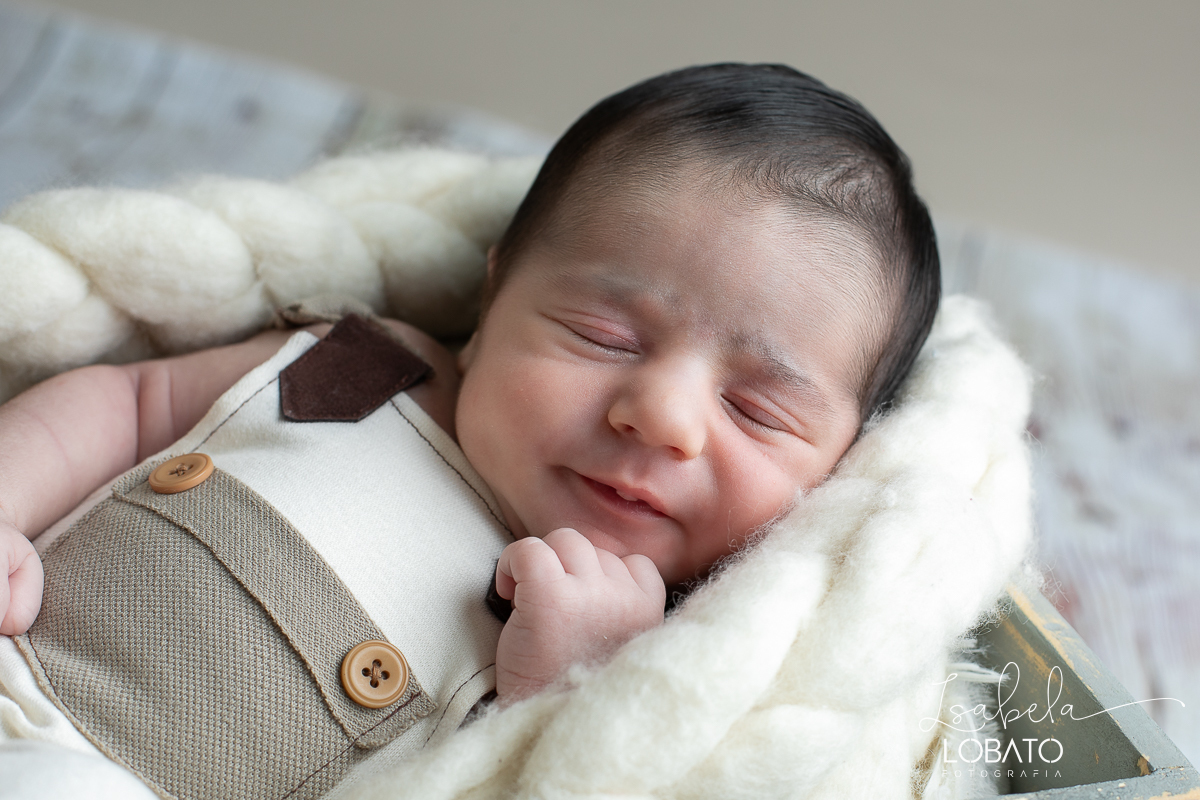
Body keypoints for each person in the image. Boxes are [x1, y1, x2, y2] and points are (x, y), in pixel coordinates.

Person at [0, 63, 939, 797]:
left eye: (756, 410)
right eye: (603, 335)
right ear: (494, 296)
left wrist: (571, 697)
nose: (662, 415)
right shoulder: (370, 367)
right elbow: (125, 403)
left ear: (839, 470)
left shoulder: (664, 653)